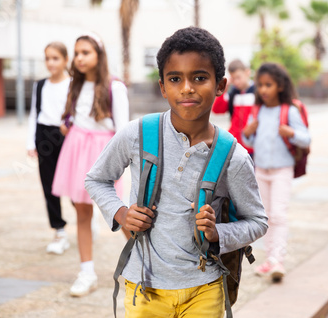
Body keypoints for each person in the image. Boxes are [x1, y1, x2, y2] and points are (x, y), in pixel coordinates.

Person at [85, 27, 268, 317]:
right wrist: (120, 214)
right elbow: (96, 178)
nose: (186, 88)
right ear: (162, 87)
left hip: (205, 287)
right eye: (175, 79)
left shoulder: (233, 157)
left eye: (199, 77)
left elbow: (257, 221)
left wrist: (218, 232)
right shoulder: (137, 134)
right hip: (144, 287)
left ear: (220, 85)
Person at [51, 33, 129, 296]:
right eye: (77, 53)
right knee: (81, 212)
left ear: (99, 55)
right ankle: (86, 272)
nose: (79, 58)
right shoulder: (75, 84)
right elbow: (73, 116)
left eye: (86, 52)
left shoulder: (114, 87)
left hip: (103, 154)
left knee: (121, 213)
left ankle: (145, 267)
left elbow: (123, 132)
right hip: (76, 151)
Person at [242, 63, 310, 282]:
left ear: (280, 86)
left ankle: (277, 259)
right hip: (260, 170)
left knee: (279, 215)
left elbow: (306, 138)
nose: (263, 89)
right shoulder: (257, 110)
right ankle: (270, 259)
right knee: (265, 216)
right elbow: (248, 140)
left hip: (282, 170)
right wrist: (247, 133)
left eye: (268, 85)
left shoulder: (289, 110)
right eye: (260, 85)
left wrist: (291, 133)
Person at [26, 42, 70, 255]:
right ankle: (59, 230)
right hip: (44, 135)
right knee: (49, 184)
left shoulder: (72, 84)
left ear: (65, 60)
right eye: (48, 58)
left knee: (72, 183)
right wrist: (30, 142)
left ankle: (86, 217)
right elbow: (34, 114)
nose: (51, 62)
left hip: (66, 135)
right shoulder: (40, 85)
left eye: (55, 58)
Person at [212, 59, 255, 155]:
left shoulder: (257, 92)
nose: (236, 81)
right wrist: (225, 88)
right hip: (236, 146)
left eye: (238, 77)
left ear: (247, 72)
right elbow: (217, 109)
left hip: (253, 146)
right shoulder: (233, 94)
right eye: (233, 78)